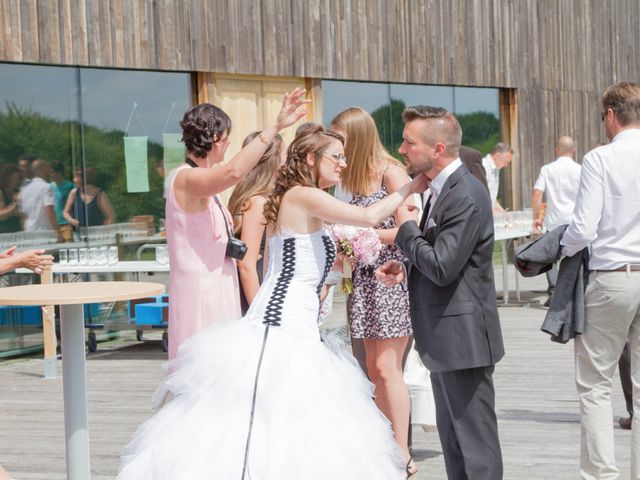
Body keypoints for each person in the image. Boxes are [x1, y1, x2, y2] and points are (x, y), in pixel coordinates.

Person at [117, 125, 427, 479]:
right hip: (280, 324)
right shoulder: (301, 195)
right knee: (266, 413)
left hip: (301, 323)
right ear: (312, 159)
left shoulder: (304, 200)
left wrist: (375, 266)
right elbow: (369, 217)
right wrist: (410, 187)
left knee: (295, 415)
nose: (343, 164)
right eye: (336, 156)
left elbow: (314, 258)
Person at [377, 105, 505, 479]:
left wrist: (405, 228)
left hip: (463, 339)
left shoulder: (465, 193)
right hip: (445, 337)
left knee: (476, 446)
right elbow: (440, 256)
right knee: (454, 443)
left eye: (408, 142)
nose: (401, 149)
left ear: (437, 150)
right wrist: (405, 266)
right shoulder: (441, 188)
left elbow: (444, 266)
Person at [164, 89, 308, 361]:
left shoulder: (206, 183)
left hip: (218, 291)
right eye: (228, 138)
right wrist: (274, 126)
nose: (230, 144)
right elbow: (233, 172)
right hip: (200, 298)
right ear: (217, 139)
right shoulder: (185, 179)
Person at [329, 106, 416, 475]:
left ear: (358, 139)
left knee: (387, 368)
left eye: (341, 143)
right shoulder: (352, 180)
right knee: (370, 369)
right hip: (362, 283)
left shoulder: (391, 173)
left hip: (389, 280)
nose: (338, 152)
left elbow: (410, 229)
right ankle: (383, 446)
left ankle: (402, 452)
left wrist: (360, 234)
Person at [560, 81, 640, 479]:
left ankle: (602, 477)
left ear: (611, 115)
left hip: (613, 278)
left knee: (595, 386)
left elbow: (583, 229)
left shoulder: (599, 159)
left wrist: (561, 249)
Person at [228, 131, 285, 314]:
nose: (288, 161)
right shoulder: (258, 203)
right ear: (274, 161)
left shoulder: (250, 197)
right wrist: (258, 315)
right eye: (285, 155)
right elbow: (246, 264)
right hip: (256, 288)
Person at [531, 136, 581, 306]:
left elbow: (537, 193)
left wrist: (536, 217)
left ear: (557, 150)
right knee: (573, 256)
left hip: (553, 222)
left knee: (550, 258)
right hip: (574, 221)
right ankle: (572, 293)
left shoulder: (547, 169)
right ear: (573, 150)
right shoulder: (580, 169)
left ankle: (554, 291)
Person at [18, 159, 62, 242]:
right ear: (42, 169)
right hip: (45, 232)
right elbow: (49, 210)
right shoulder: (46, 187)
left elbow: (23, 215)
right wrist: (57, 232)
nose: (50, 173)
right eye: (48, 169)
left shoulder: (24, 190)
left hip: (29, 232)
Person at [482, 142, 513, 213]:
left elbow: (492, 198)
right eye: (506, 162)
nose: (506, 165)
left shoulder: (496, 168)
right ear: (497, 156)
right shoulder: (484, 166)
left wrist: (504, 214)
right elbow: (479, 197)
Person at [49, 160, 75, 242]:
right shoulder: (48, 187)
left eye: (53, 172)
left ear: (59, 172)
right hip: (53, 226)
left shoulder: (70, 186)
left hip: (66, 224)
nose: (51, 175)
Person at [0, 163, 22, 234]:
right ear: (6, 179)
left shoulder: (17, 192)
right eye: (15, 179)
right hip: (4, 235)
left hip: (17, 232)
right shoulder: (1, 193)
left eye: (19, 179)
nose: (17, 182)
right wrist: (13, 208)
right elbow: (1, 216)